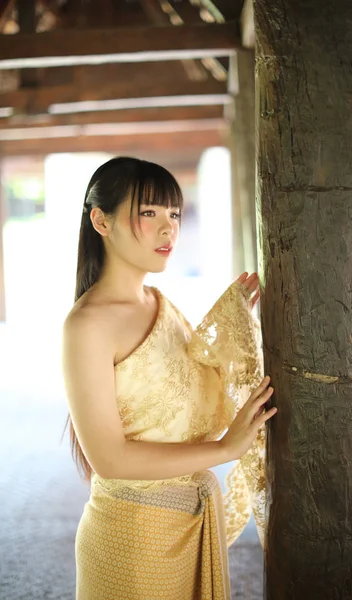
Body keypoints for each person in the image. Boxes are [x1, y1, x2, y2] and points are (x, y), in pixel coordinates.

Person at [61, 156, 278, 600]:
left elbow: (186, 389)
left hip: (194, 524)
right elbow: (109, 459)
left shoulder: (159, 302)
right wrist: (224, 450)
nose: (168, 229)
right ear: (101, 221)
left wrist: (232, 325)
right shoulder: (87, 326)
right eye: (149, 213)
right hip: (133, 539)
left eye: (174, 214)